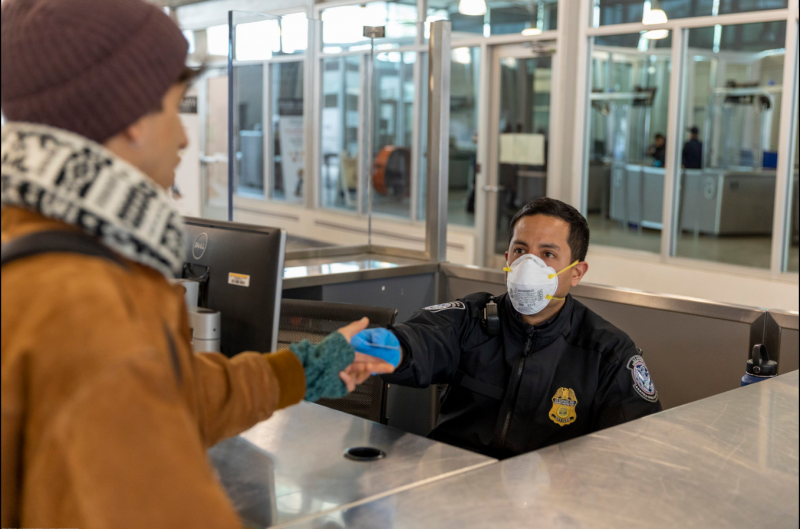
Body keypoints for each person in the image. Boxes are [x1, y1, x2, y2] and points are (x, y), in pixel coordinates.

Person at [0, 1, 395, 527]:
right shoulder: (85, 306)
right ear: (133, 114)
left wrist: (303, 369)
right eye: (174, 105)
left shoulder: (44, 250)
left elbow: (172, 396)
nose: (185, 137)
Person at [353, 198, 662, 459]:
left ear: (577, 272)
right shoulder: (473, 318)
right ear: (507, 259)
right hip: (453, 484)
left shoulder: (606, 352)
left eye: (547, 254)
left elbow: (635, 445)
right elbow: (427, 338)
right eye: (520, 251)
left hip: (547, 504)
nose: (529, 265)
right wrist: (395, 347)